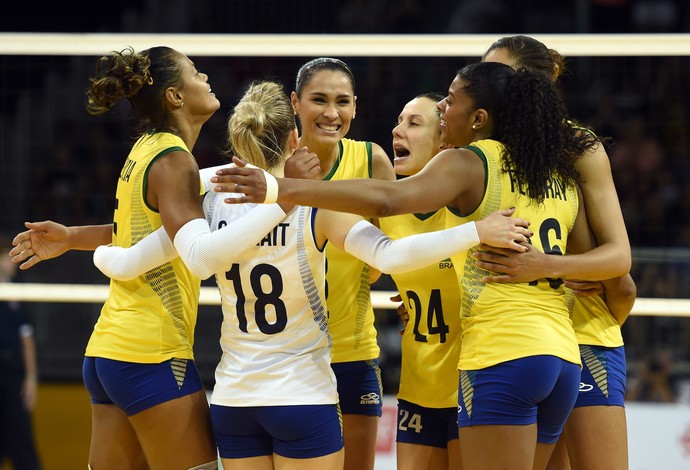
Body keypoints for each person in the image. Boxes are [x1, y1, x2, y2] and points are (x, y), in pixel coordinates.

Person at [89, 80, 533, 469]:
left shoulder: (208, 205)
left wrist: (91, 251)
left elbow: (129, 258)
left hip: (234, 397)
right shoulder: (318, 202)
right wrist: (477, 230)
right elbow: (393, 257)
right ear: (295, 138)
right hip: (301, 395)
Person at [210, 61, 617, 469]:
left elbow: (387, 202)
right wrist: (547, 267)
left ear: (474, 122)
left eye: (446, 104)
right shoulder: (551, 173)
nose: (442, 109)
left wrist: (284, 189)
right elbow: (616, 275)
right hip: (556, 357)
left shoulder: (463, 171)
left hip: (496, 356)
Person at [9, 46, 226, 469]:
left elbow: (137, 233)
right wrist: (276, 203)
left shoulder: (145, 149)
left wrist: (72, 237)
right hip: (153, 354)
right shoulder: (174, 159)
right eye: (196, 73)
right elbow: (196, 251)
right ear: (175, 97)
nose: (206, 78)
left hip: (107, 355)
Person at [479, 35, 637, 470]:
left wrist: (544, 266)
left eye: (503, 75)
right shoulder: (482, 147)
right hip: (516, 336)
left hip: (582, 331)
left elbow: (619, 261)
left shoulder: (577, 145)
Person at [289, 57, 396, 470]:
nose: (332, 113)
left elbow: (394, 251)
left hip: (352, 352)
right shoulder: (271, 164)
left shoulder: (372, 161)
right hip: (288, 356)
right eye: (319, 100)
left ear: (356, 106)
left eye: (342, 102)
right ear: (295, 103)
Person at [381, 93, 462, 470]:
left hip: (472, 387)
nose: (398, 130)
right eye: (399, 120)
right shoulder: (389, 212)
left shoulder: (468, 207)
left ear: (445, 141)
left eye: (414, 123)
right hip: (417, 387)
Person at [0, 234, 42, 470]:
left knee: (20, 437)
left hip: (14, 376)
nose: (10, 263)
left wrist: (31, 378)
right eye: (5, 258)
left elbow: (27, 339)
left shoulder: (19, 295)